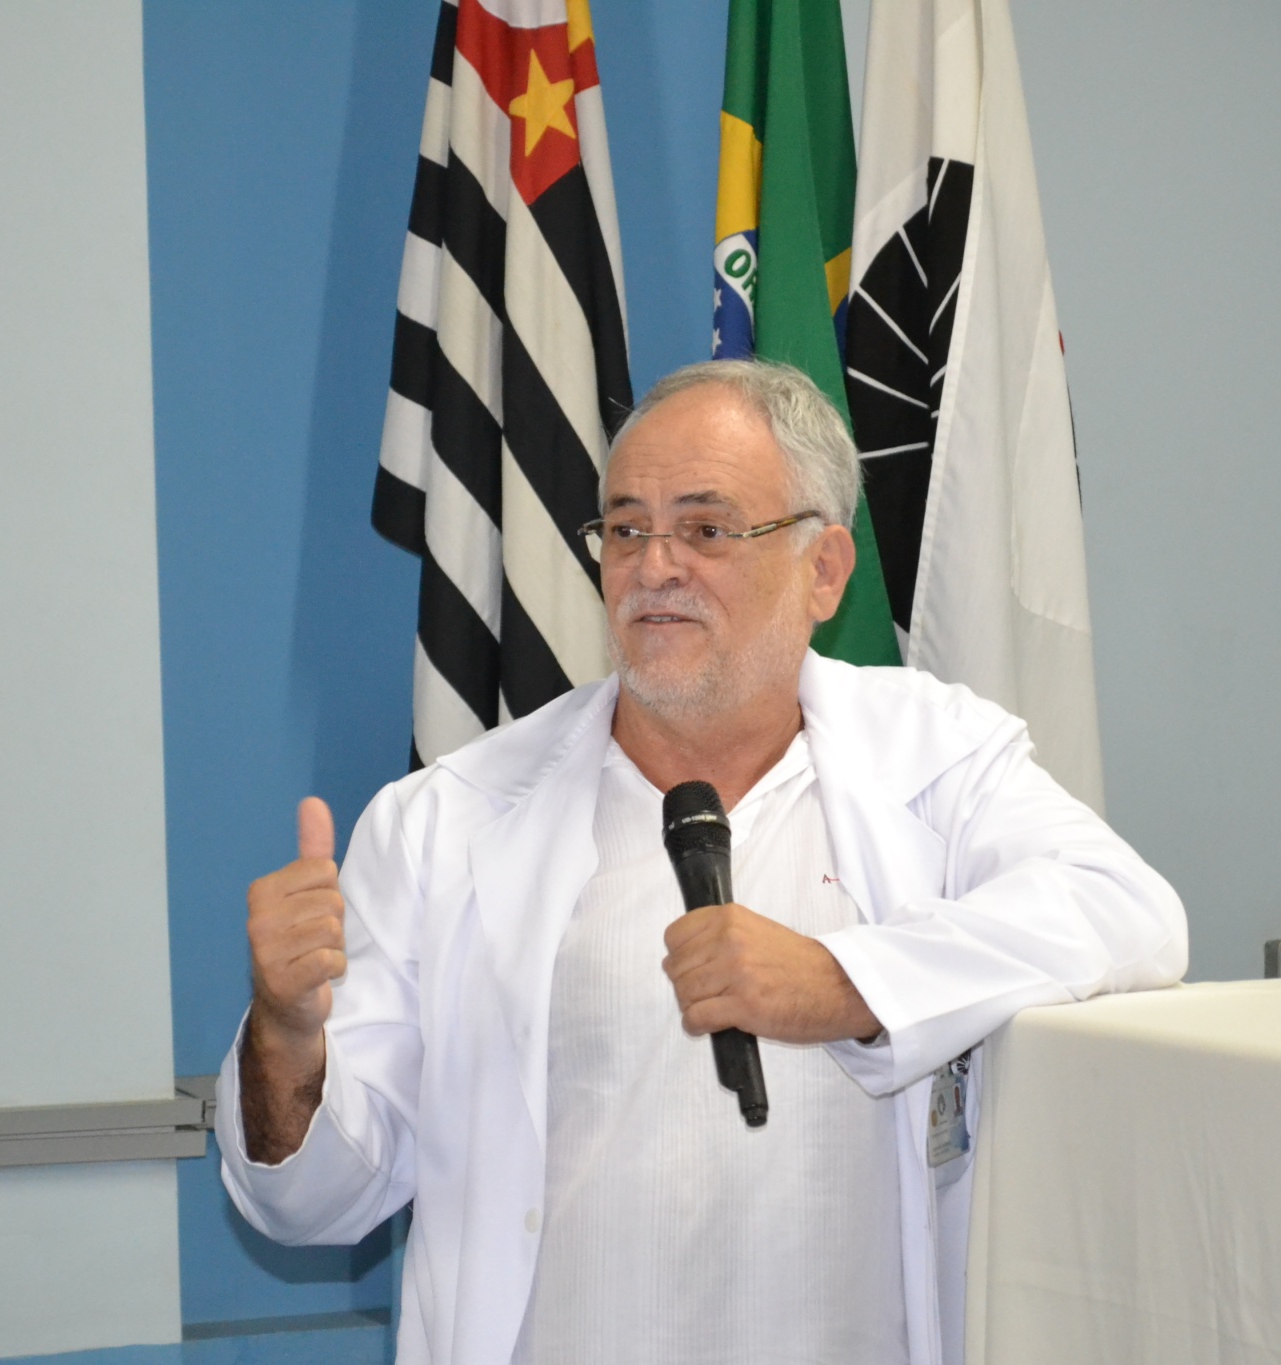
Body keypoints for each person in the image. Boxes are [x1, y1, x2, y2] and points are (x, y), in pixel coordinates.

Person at [214, 359, 1187, 1365]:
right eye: (625, 529)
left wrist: (843, 983)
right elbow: (312, 1201)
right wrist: (286, 1038)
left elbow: (1128, 913)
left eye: (706, 529)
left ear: (823, 569)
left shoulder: (933, 756)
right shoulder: (447, 819)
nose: (653, 566)